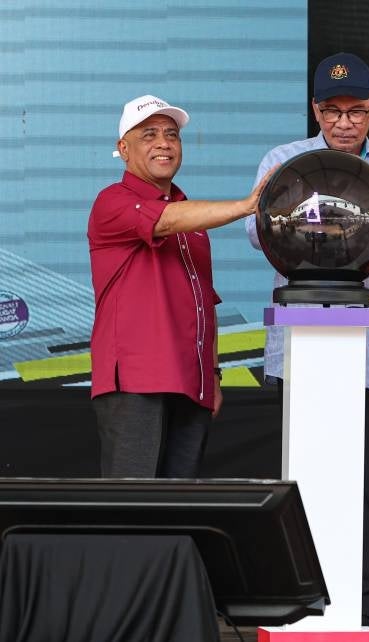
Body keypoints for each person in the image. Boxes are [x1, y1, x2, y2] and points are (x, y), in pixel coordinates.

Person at [244, 52, 369, 642]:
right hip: (304, 352)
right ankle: (299, 612)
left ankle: (368, 615)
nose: (344, 121)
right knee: (301, 487)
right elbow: (260, 233)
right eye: (332, 109)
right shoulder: (282, 164)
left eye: (356, 110)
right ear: (315, 109)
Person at [88, 94, 273, 478]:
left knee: (178, 509)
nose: (164, 143)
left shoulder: (192, 219)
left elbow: (204, 303)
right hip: (137, 382)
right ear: (123, 149)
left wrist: (214, 375)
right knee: (132, 511)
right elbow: (167, 220)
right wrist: (246, 205)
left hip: (193, 383)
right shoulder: (113, 201)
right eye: (149, 134)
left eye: (172, 135)